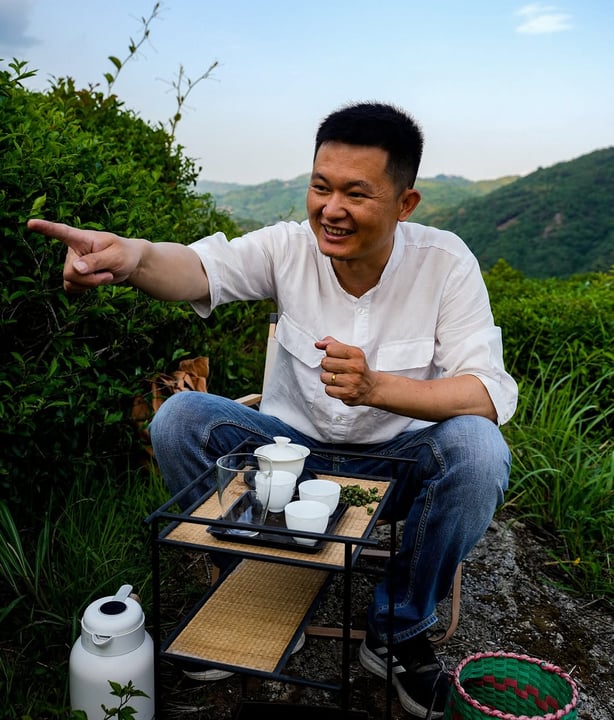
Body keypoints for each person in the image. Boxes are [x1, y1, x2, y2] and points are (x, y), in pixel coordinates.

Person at [28, 101, 517, 718]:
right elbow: (199, 269)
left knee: (478, 450)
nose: (331, 209)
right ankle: (250, 590)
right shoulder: (287, 247)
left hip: (398, 468)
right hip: (291, 459)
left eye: (356, 193)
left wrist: (377, 388)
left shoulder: (446, 265)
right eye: (320, 186)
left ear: (405, 203)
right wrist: (132, 258)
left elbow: (487, 393)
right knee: (178, 418)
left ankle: (396, 630)